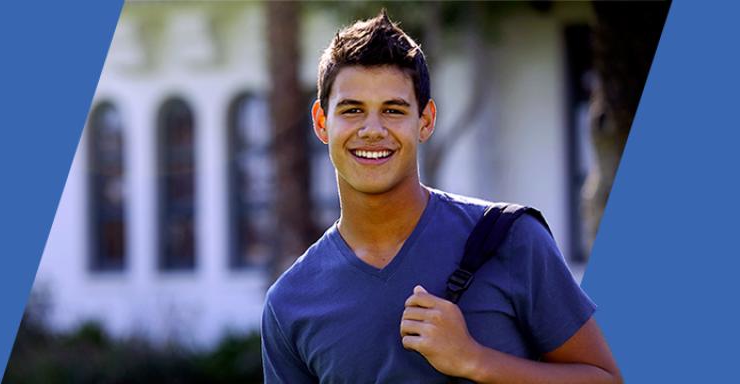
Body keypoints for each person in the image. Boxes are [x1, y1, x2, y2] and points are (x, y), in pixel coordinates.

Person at [261, 11, 622, 384]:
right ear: (322, 122)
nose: (372, 130)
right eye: (352, 110)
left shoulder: (512, 239)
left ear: (426, 120)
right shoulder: (289, 303)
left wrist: (475, 361)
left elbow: (606, 379)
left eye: (393, 110)